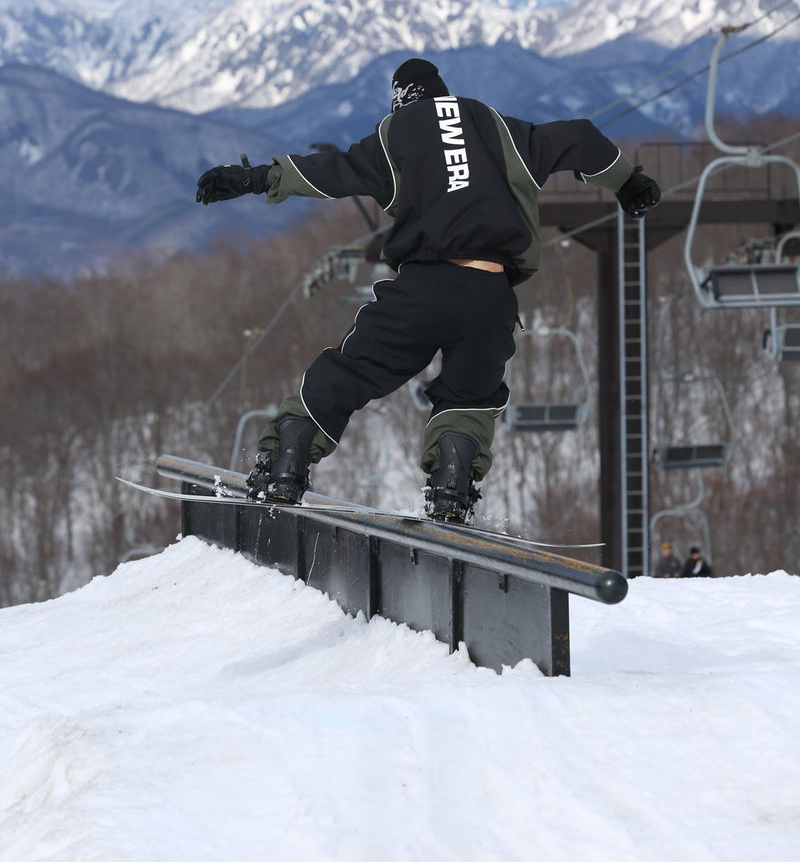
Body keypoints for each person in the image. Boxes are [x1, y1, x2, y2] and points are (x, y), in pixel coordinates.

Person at [196, 57, 661, 522]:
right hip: (489, 293)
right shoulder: (495, 125)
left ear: (400, 100)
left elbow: (328, 171)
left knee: (348, 372)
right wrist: (628, 183)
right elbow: (580, 136)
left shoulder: (393, 132)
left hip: (422, 287)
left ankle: (284, 467)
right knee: (470, 396)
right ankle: (449, 494)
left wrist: (252, 178)